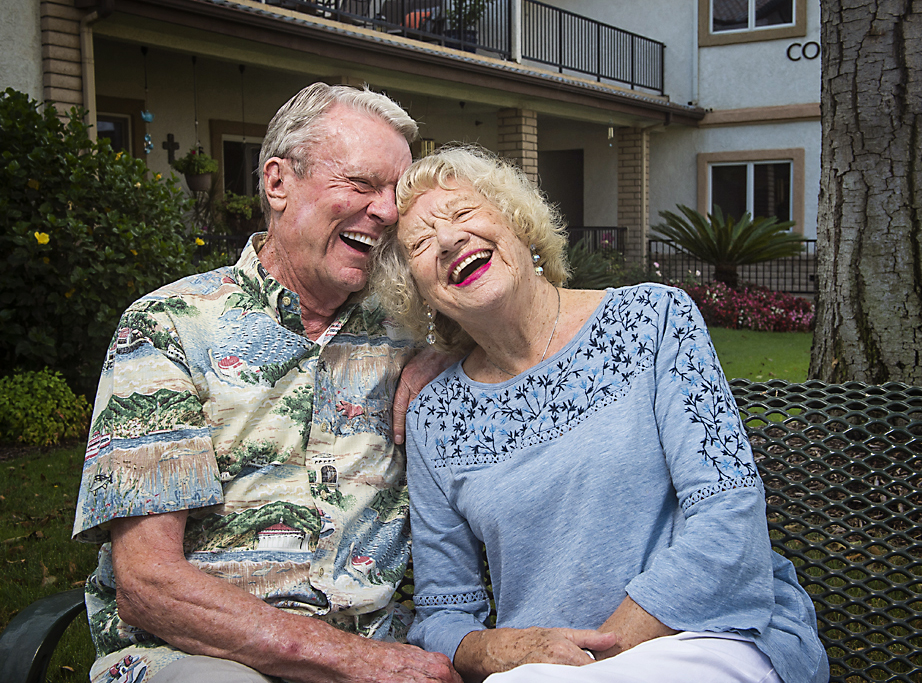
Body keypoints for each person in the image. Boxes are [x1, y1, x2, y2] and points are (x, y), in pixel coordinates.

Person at [370, 145, 830, 683]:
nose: (449, 240)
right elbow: (445, 613)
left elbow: (728, 520)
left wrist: (599, 660)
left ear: (518, 222)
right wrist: (493, 650)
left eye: (464, 213)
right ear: (420, 291)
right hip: (544, 673)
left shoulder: (653, 320)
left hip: (712, 638)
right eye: (422, 243)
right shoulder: (434, 418)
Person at [72, 83, 460, 683]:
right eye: (360, 185)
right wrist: (352, 662)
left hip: (385, 644)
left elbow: (532, 323)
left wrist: (458, 353)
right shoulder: (170, 327)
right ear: (277, 184)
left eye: (394, 195)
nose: (386, 211)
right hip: (201, 657)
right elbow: (148, 584)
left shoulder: (409, 332)